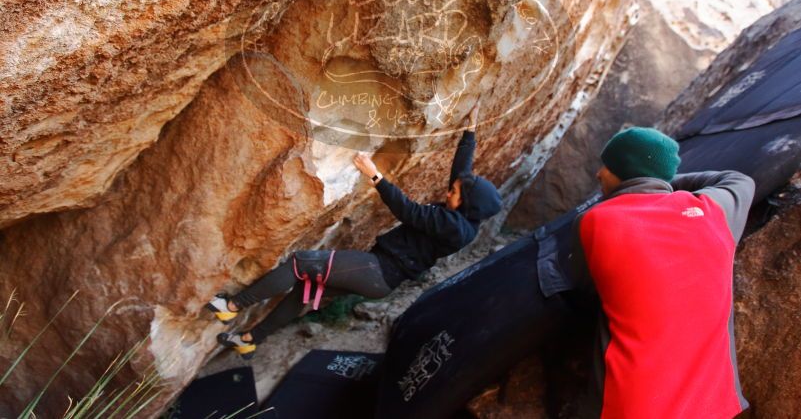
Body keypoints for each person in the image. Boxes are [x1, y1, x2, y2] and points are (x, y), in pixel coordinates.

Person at [206, 103, 502, 358]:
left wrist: (375, 176)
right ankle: (248, 342)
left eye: (454, 193)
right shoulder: (464, 212)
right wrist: (470, 130)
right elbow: (461, 175)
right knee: (304, 291)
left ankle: (232, 305)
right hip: (379, 274)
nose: (449, 191)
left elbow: (410, 212)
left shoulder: (456, 229)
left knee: (301, 264)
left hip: (378, 271)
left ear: (466, 205)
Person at [568, 127, 755, 418]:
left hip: (629, 407)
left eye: (609, 165)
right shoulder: (714, 211)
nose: (599, 173)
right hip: (712, 405)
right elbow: (737, 179)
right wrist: (662, 184)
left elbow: (580, 284)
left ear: (625, 172)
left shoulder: (593, 222)